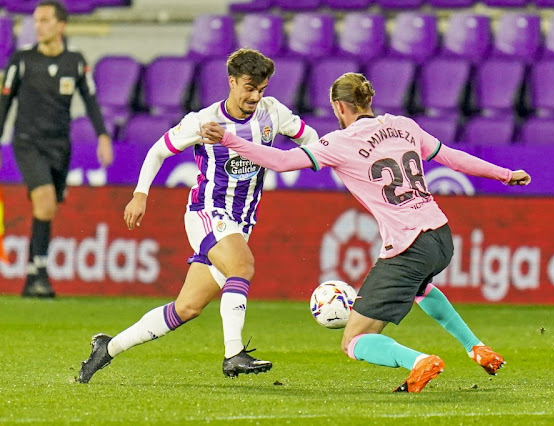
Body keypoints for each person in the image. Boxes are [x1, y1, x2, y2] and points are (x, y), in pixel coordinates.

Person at [197, 72, 532, 393]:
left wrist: (229, 139)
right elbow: (453, 158)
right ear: (369, 100)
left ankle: (420, 362)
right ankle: (476, 347)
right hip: (441, 236)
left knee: (354, 340)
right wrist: (505, 174)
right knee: (422, 288)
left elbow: (282, 162)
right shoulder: (403, 126)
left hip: (408, 243)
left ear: (339, 107)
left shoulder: (340, 142)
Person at [76, 48, 319, 384]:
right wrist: (140, 194)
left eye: (261, 89)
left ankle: (108, 348)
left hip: (242, 222)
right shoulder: (203, 121)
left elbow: (310, 139)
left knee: (186, 308)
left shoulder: (272, 113)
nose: (255, 97)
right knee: (242, 267)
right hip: (207, 212)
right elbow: (158, 150)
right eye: (249, 88)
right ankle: (233, 353)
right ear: (232, 82)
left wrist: (308, 158)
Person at [0, 0, 113, 298]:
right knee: (45, 201)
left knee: (48, 210)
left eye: (45, 20)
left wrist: (102, 135)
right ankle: (39, 274)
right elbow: (4, 103)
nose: (38, 26)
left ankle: (34, 274)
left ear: (61, 25)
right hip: (27, 141)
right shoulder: (22, 60)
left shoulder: (75, 62)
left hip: (59, 146)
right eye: (36, 20)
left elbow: (90, 99)